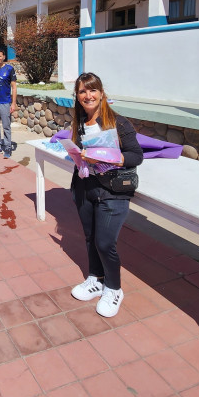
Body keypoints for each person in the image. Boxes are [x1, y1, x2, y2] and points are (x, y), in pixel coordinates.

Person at [69, 72, 143, 318]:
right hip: (86, 187)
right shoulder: (80, 122)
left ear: (101, 93)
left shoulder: (118, 123)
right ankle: (96, 279)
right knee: (90, 238)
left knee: (105, 242)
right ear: (77, 97)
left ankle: (114, 288)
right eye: (82, 91)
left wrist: (112, 156)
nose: (88, 96)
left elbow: (136, 155)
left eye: (92, 90)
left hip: (112, 191)